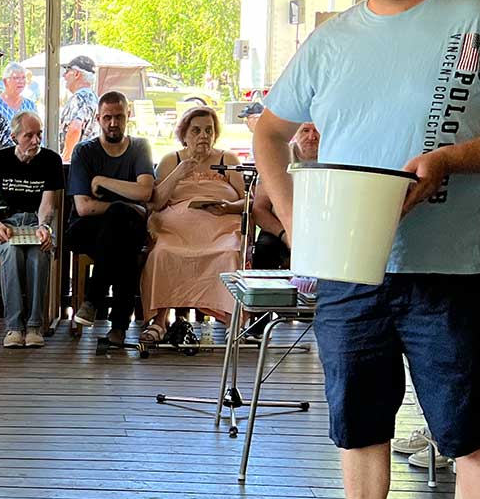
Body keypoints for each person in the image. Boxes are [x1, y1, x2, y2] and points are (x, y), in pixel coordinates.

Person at [254, 0, 480, 499]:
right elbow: (268, 133)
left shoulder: (474, 21)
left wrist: (451, 158)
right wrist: (295, 220)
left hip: (451, 264)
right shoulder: (331, 40)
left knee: (470, 426)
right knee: (358, 421)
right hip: (350, 267)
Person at [141, 106, 244, 344]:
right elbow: (155, 203)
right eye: (196, 130)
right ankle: (159, 322)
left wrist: (228, 207)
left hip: (220, 228)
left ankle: (233, 322)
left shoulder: (227, 159)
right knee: (162, 253)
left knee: (229, 253)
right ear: (184, 134)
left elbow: (246, 200)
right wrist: (178, 174)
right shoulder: (171, 160)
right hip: (176, 230)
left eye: (209, 130)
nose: (203, 136)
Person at [67, 92, 155, 345]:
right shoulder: (85, 151)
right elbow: (84, 208)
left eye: (119, 117)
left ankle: (92, 301)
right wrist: (127, 203)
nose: (113, 123)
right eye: (107, 117)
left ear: (128, 116)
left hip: (126, 231)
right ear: (98, 119)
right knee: (121, 225)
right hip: (86, 230)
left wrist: (101, 181)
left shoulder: (139, 147)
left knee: (121, 239)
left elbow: (145, 191)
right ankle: (118, 327)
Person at [0, 111, 62, 349]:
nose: (36, 141)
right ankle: (14, 327)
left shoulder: (51, 160)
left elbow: (47, 205)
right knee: (12, 253)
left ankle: (34, 326)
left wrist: (44, 227)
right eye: (29, 135)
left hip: (36, 222)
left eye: (39, 134)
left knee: (39, 253)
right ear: (14, 136)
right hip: (7, 223)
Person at [251, 123, 319, 270]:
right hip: (279, 228)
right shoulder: (278, 157)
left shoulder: (335, 158)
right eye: (305, 130)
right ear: (296, 133)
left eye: (317, 131)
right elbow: (259, 209)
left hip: (320, 229)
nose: (311, 136)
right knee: (265, 249)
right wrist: (285, 235)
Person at [59, 55, 98, 161]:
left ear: (76, 74)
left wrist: (66, 157)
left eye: (67, 71)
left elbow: (75, 128)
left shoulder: (79, 98)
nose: (64, 75)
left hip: (78, 161)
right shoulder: (93, 97)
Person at [0, 62, 36, 127]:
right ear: (5, 81)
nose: (21, 81)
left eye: (23, 77)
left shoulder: (30, 105)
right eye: (16, 78)